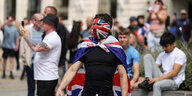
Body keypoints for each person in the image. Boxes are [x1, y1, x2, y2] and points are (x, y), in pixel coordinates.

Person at [56, 13, 129, 96]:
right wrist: (60, 88)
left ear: (108, 27)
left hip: (107, 93)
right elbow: (73, 69)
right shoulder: (86, 45)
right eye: (93, 24)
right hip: (87, 93)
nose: (94, 27)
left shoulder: (115, 48)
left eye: (98, 24)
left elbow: (123, 75)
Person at [21, 14, 61, 96]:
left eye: (44, 22)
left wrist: (24, 35)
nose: (42, 23)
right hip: (44, 77)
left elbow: (36, 48)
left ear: (51, 25)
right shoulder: (48, 36)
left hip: (47, 78)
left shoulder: (52, 37)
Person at [19, 13, 44, 96]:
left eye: (42, 20)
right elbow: (23, 46)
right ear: (33, 21)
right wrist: (24, 60)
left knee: (42, 87)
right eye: (40, 20)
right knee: (31, 87)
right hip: (31, 63)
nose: (42, 22)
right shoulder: (28, 32)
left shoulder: (44, 32)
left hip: (42, 63)